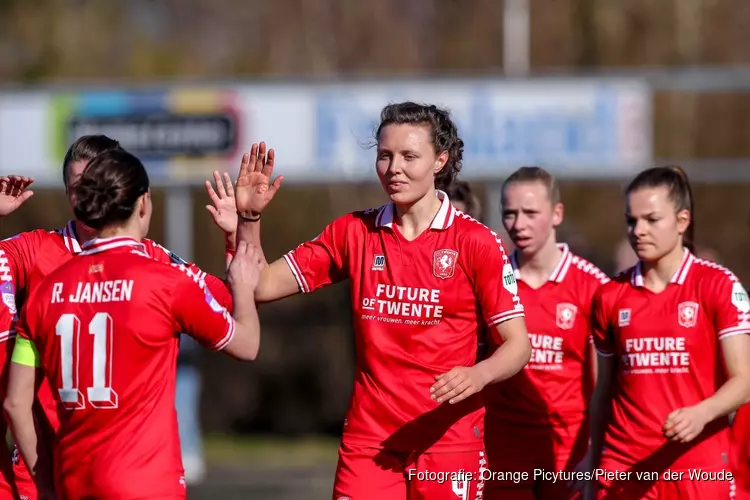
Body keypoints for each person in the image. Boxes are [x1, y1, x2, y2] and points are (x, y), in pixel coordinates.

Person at [206, 102, 531, 499]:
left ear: (439, 161)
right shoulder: (353, 232)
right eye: (385, 156)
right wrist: (249, 222)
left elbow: (518, 345)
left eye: (410, 156)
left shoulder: (476, 242)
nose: (394, 168)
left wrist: (477, 375)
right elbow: (260, 286)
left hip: (449, 442)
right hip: (370, 442)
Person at [3, 150, 263, 499]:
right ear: (143, 203)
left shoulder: (43, 293)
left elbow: (15, 403)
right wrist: (244, 284)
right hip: (146, 481)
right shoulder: (167, 282)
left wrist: (47, 485)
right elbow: (246, 343)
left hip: (71, 478)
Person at [587, 166, 750, 499]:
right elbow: (603, 392)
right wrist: (592, 470)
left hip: (697, 466)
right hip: (624, 466)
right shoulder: (610, 295)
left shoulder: (716, 285)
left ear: (682, 220)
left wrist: (701, 412)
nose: (638, 231)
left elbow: (744, 380)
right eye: (631, 221)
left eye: (651, 219)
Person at [483, 166, 609, 499]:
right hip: (501, 446)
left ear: (556, 213)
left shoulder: (594, 286)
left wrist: (594, 449)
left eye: (530, 213)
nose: (518, 224)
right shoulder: (490, 278)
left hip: (568, 447)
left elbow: (605, 376)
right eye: (509, 213)